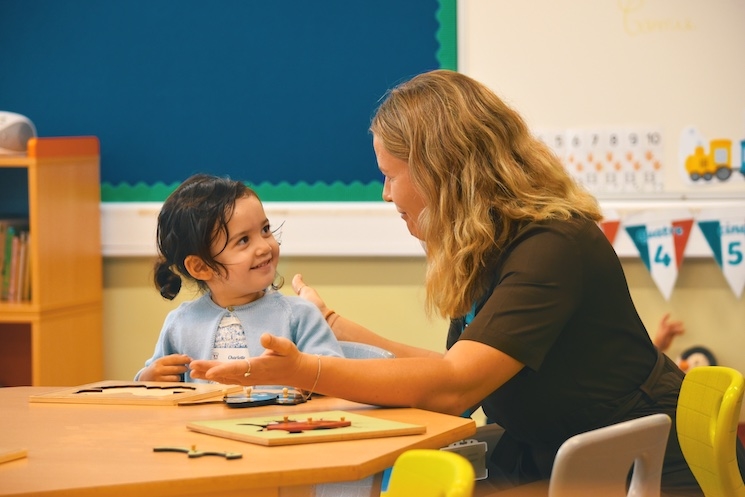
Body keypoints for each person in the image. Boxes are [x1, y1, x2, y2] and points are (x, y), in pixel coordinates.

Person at [190, 70, 737, 495]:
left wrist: (307, 368)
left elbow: (455, 388)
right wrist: (332, 326)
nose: (386, 194)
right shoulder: (493, 248)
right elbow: (460, 369)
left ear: (439, 169)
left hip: (639, 472)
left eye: (390, 174)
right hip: (570, 457)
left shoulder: (553, 247)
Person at [136, 173, 342, 382]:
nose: (263, 247)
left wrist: (305, 377)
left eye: (265, 230)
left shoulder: (300, 315)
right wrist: (148, 378)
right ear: (201, 267)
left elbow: (335, 376)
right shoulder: (179, 323)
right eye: (243, 240)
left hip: (277, 416)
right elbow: (147, 387)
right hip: (202, 416)